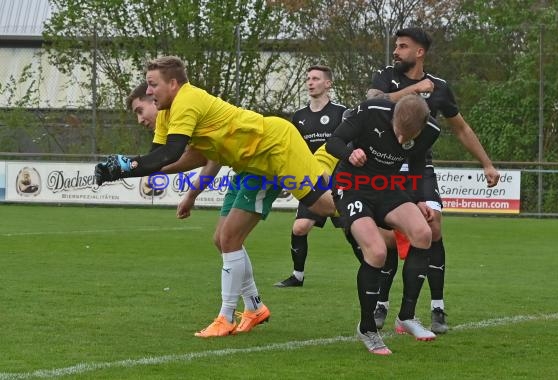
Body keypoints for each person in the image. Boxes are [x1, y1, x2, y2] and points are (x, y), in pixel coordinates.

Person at [96, 57, 337, 336]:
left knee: (322, 206)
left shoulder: (187, 101)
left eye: (151, 88)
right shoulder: (167, 114)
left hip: (270, 150)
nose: (148, 96)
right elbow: (164, 158)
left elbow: (168, 156)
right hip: (247, 165)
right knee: (222, 239)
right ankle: (255, 307)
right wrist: (128, 169)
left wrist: (126, 167)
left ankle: (226, 317)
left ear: (172, 84)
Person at [367, 27, 500, 335]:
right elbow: (375, 101)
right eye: (396, 46)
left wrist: (487, 164)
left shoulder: (439, 88)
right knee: (387, 237)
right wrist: (415, 91)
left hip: (419, 166)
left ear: (420, 52)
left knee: (433, 226)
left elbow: (461, 129)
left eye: (403, 47)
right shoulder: (386, 76)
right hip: (385, 166)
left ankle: (436, 306)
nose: (396, 51)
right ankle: (381, 304)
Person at [325, 94, 441, 355]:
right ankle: (367, 328)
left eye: (407, 137)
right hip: (351, 186)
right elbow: (333, 141)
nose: (401, 141)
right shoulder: (371, 110)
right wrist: (349, 152)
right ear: (393, 117)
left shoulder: (431, 130)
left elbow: (417, 164)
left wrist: (420, 198)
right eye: (398, 133)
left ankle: (406, 317)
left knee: (424, 233)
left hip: (388, 188)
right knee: (377, 252)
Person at [274, 65, 346, 288]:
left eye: (316, 78)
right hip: (312, 182)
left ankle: (372, 268)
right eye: (308, 79)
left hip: (340, 181)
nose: (310, 82)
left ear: (328, 83)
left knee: (352, 229)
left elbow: (350, 142)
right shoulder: (299, 116)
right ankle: (297, 276)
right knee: (300, 227)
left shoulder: (341, 112)